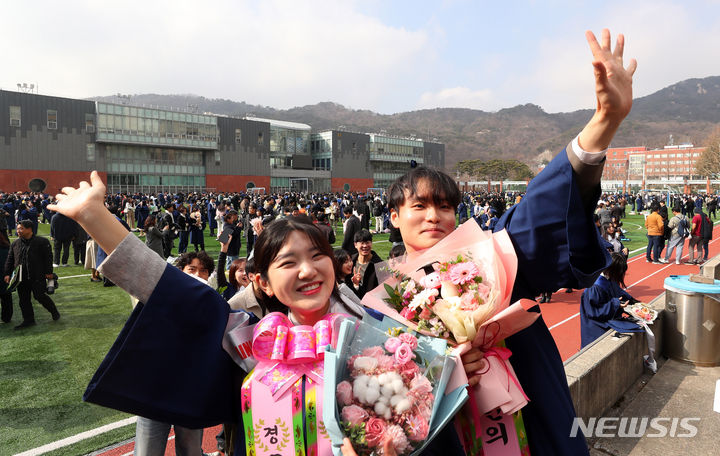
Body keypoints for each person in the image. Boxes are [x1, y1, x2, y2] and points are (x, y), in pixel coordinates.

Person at [51, 28, 634, 456]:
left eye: (318, 257)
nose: (307, 271)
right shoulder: (279, 329)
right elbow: (177, 294)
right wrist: (100, 221)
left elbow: (536, 219)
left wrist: (600, 126)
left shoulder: (389, 308)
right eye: (288, 262)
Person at [384, 28, 635, 454]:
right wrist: (441, 371)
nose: (434, 216)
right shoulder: (380, 302)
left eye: (445, 206)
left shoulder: (494, 259)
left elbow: (540, 211)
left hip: (531, 428)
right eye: (420, 206)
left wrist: (604, 121)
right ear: (394, 217)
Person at [3, 219, 59, 329]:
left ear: (30, 229)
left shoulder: (42, 242)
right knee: (23, 300)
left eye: (21, 228)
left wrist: (49, 272)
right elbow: (10, 259)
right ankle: (28, 320)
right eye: (18, 228)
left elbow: (48, 258)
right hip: (20, 277)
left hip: (37, 275)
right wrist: (7, 274)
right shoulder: (15, 243)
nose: (18, 231)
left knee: (40, 296)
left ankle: (54, 311)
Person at [580, 253, 641, 347]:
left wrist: (634, 302)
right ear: (611, 270)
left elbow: (620, 292)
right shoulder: (595, 286)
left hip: (608, 319)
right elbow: (593, 312)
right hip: (596, 326)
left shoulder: (608, 278)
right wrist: (616, 304)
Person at [345, 229, 382, 300]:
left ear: (371, 243)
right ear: (355, 245)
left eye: (367, 242)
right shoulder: (350, 262)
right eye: (362, 243)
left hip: (371, 305)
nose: (365, 246)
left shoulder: (379, 265)